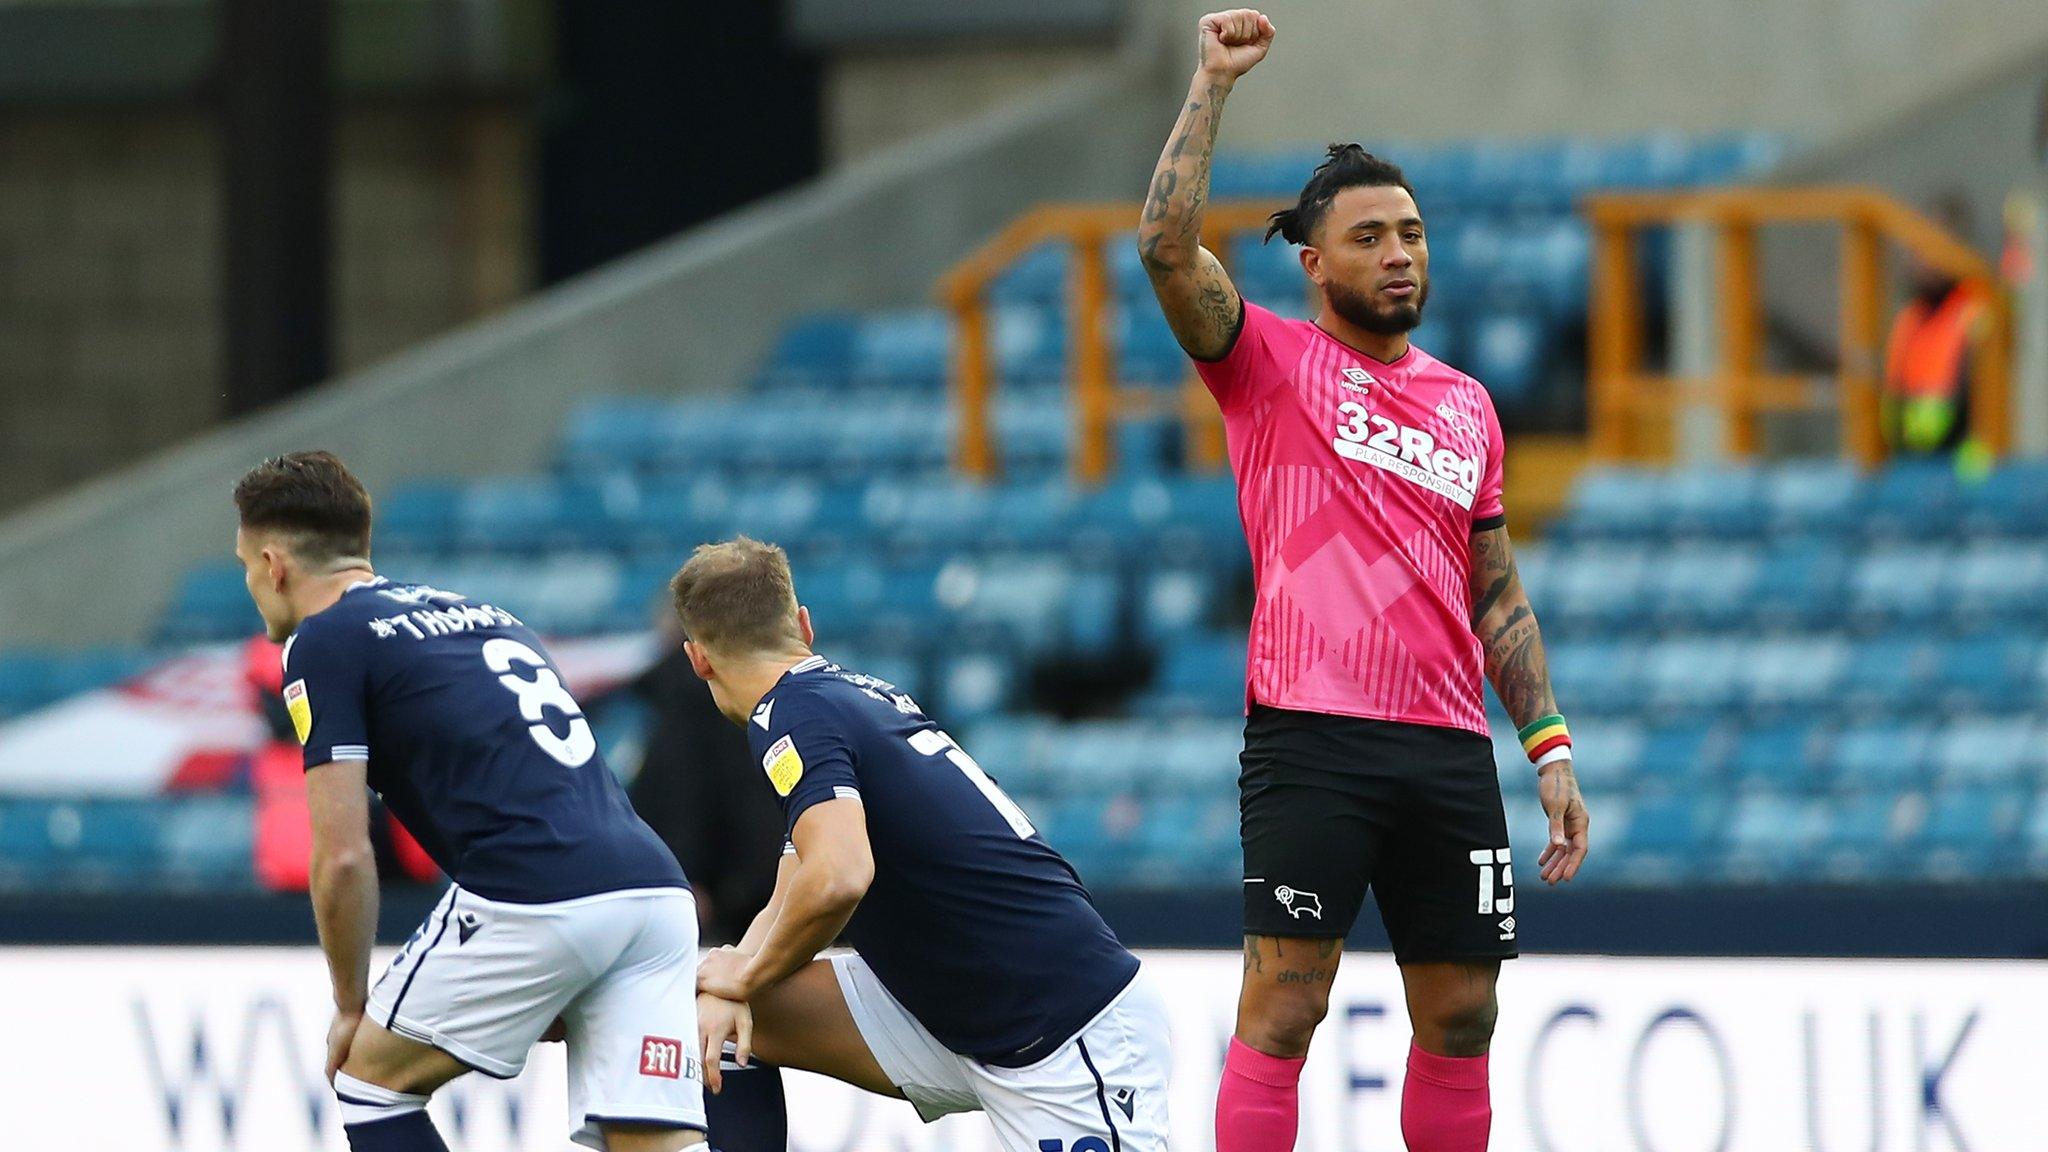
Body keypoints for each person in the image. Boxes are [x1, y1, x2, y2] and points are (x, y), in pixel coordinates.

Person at [1136, 11, 1590, 1152]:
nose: (1399, 253)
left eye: (1413, 234)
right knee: (1286, 1003)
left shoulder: (1466, 406)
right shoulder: (1265, 363)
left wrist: (1547, 747)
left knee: (1462, 1009)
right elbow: (1160, 247)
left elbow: (1494, 589)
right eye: (1371, 236)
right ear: (1313, 262)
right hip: (1311, 736)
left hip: (1443, 745)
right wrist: (1209, 85)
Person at [232, 451, 705, 1152]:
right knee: (649, 1143)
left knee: (370, 1081)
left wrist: (351, 1006)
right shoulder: (485, 614)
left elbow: (341, 856)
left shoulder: (323, 642)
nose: (249, 582)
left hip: (536, 892)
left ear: (274, 564)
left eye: (245, 564)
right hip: (655, 896)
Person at [671, 537, 1172, 1152]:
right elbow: (799, 874)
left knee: (725, 998)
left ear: (697, 659)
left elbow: (840, 876)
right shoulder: (846, 697)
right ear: (804, 624)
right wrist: (729, 978)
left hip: (1065, 1031)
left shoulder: (792, 716)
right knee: (704, 1018)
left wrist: (743, 977)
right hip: (956, 1014)